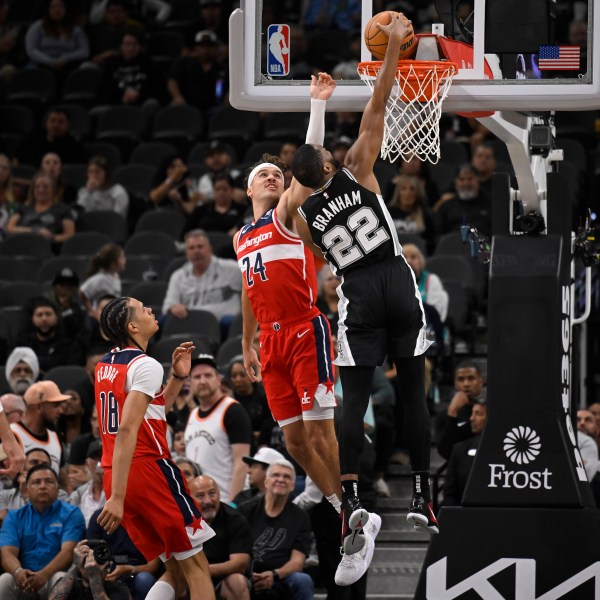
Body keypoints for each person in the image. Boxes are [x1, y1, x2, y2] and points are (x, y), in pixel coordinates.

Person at [289, 12, 431, 580]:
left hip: (357, 291)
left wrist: (315, 111)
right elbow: (380, 102)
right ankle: (422, 493)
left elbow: (304, 175)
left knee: (353, 401)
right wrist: (394, 47)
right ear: (329, 163)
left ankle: (348, 498)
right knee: (415, 389)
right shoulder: (357, 170)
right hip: (396, 277)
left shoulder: (302, 219)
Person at [234, 73, 347, 573]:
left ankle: (350, 509)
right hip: (271, 339)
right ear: (247, 188)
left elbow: (306, 164)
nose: (272, 176)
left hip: (306, 329)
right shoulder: (242, 236)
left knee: (319, 435)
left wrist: (316, 106)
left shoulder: (284, 215)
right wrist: (245, 340)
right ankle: (337, 498)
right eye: (263, 174)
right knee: (293, 441)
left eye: (276, 174)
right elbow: (247, 287)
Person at [94, 296, 216, 600]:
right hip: (148, 471)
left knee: (175, 569)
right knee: (198, 568)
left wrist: (177, 377)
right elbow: (127, 429)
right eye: (143, 308)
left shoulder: (105, 365)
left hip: (115, 472)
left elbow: (151, 413)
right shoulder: (145, 364)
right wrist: (118, 499)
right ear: (133, 325)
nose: (151, 309)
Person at [0, 464, 85, 599]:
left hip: (54, 577)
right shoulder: (14, 517)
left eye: (49, 481)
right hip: (25, 580)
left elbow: (68, 552)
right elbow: (7, 554)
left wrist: (44, 575)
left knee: (61, 578)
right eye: (36, 482)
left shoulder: (71, 513)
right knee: (5, 580)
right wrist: (19, 572)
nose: (43, 486)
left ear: (58, 489)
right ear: (26, 490)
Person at [238, 459, 313, 600]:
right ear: (266, 482)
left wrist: (274, 574)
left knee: (303, 580)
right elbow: (234, 551)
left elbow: (297, 562)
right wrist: (247, 573)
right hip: (246, 573)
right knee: (235, 579)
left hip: (281, 576)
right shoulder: (245, 510)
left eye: (286, 477)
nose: (281, 479)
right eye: (275, 475)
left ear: (293, 485)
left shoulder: (300, 517)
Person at [184, 354, 251, 504]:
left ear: (219, 379)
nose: (202, 381)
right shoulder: (193, 415)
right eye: (197, 377)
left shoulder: (233, 411)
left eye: (208, 375)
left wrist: (232, 504)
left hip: (225, 502)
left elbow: (241, 464)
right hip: (199, 505)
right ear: (191, 383)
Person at [162, 229, 241, 329]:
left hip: (223, 326)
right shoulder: (178, 276)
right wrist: (173, 308)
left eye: (200, 247)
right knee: (163, 321)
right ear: (186, 253)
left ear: (209, 249)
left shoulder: (232, 269)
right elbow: (168, 306)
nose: (196, 251)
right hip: (190, 325)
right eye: (191, 248)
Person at [189, 475, 252, 600]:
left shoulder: (236, 519)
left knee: (237, 581)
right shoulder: (181, 520)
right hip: (190, 580)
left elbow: (240, 563)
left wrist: (202, 572)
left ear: (219, 494)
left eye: (212, 493)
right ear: (189, 499)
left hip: (224, 579)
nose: (208, 501)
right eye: (200, 496)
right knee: (174, 583)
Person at [86, 508, 161, 600]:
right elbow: (90, 552)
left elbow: (153, 565)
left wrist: (129, 569)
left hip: (136, 570)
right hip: (106, 569)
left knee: (145, 580)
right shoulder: (100, 516)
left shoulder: (147, 519)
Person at [11, 380, 69, 474]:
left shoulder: (56, 438)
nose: (61, 411)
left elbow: (63, 481)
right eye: (56, 405)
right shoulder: (11, 435)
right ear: (39, 407)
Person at [5, 172, 76, 249]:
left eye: (46, 187)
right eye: (37, 187)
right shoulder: (23, 208)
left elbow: (70, 235)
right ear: (33, 190)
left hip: (49, 249)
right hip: (21, 246)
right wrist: (35, 231)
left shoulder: (63, 209)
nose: (41, 190)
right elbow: (10, 227)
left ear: (53, 190)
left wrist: (53, 238)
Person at [48, 538, 132, 600]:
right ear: (81, 567)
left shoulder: (118, 589)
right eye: (87, 560)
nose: (92, 564)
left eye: (97, 562)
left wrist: (94, 577)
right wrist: (75, 565)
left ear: (107, 566)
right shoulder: (71, 586)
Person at [24, 0, 89, 79]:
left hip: (68, 64)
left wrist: (66, 58)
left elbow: (84, 50)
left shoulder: (75, 29)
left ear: (65, 10)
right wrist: (50, 61)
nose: (57, 10)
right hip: (41, 63)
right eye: (53, 7)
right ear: (48, 10)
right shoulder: (37, 27)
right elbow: (31, 49)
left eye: (60, 7)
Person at [435, 361, 486, 460]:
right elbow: (445, 452)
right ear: (455, 384)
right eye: (461, 379)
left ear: (481, 382)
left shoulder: (490, 411)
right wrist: (452, 411)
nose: (466, 384)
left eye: (471, 378)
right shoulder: (445, 415)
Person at [442, 400, 487, 506]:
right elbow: (449, 493)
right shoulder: (459, 450)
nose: (471, 418)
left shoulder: (503, 451)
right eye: (472, 413)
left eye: (478, 414)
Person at [433, 163, 492, 239]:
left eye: (470, 179)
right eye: (462, 179)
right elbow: (438, 235)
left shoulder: (490, 205)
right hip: (452, 248)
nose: (466, 183)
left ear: (478, 180)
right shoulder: (446, 206)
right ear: (455, 182)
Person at [15, 297, 72, 373]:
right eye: (39, 315)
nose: (44, 319)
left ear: (56, 318)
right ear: (32, 319)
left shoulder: (67, 344)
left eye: (48, 314)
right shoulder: (22, 343)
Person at [17, 107, 84, 168]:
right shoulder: (32, 139)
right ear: (46, 123)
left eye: (60, 122)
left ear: (68, 125)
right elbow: (16, 159)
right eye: (52, 121)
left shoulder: (74, 147)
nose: (56, 125)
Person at [79, 244, 126, 317]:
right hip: (100, 317)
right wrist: (91, 310)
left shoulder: (115, 276)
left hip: (112, 315)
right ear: (113, 262)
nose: (124, 260)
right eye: (122, 257)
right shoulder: (100, 278)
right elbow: (83, 292)